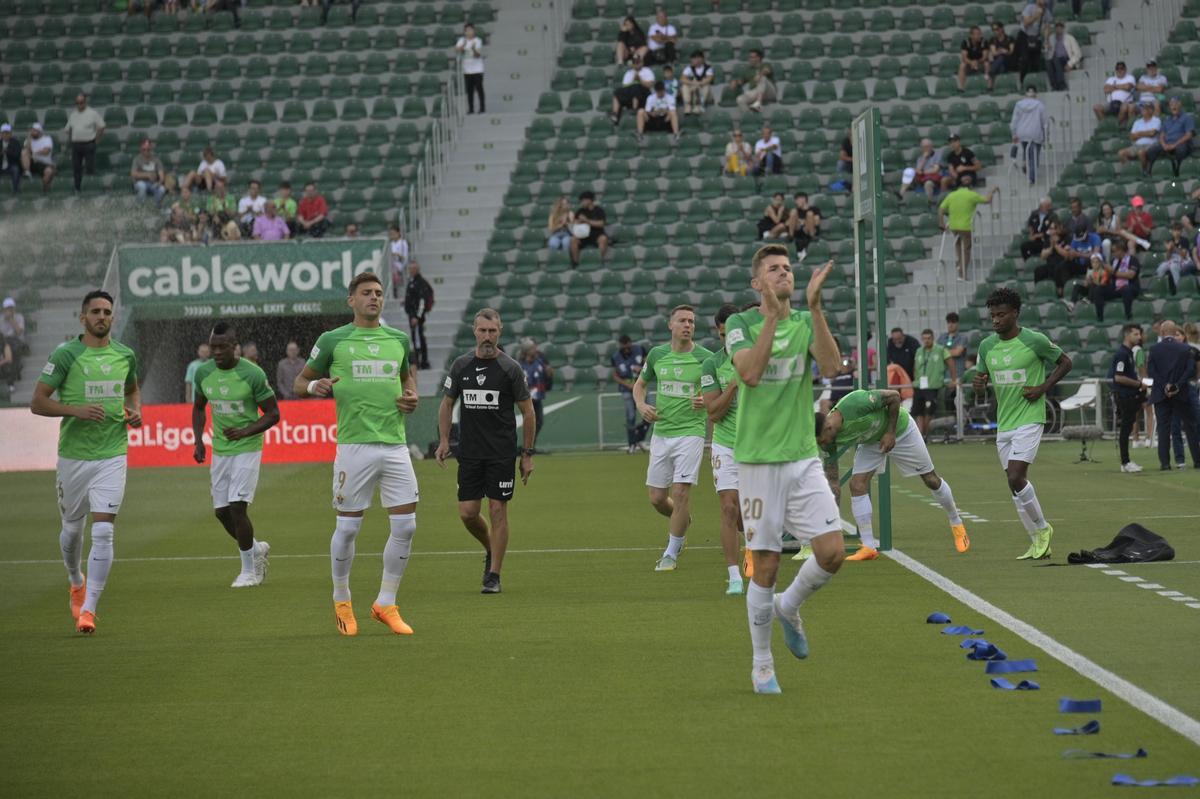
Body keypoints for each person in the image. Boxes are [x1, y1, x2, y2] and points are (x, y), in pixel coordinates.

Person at [725, 246, 843, 694]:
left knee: (832, 552)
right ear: (757, 284)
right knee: (768, 563)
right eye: (773, 269)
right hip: (757, 462)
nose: (783, 273)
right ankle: (761, 664)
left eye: (788, 268)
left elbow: (832, 367)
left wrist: (814, 308)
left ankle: (789, 607)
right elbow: (750, 375)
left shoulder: (804, 321)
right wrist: (772, 320)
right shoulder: (740, 325)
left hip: (801, 456)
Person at [293, 272, 420, 637]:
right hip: (354, 446)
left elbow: (407, 378)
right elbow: (299, 383)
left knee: (407, 525)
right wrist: (315, 385)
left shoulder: (398, 339)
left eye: (379, 293)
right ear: (351, 300)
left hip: (395, 445)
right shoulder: (333, 340)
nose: (374, 298)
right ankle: (342, 600)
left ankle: (386, 603)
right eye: (366, 293)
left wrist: (412, 396)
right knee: (348, 528)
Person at [30, 290, 141, 635]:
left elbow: (132, 390)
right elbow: (37, 402)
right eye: (95, 311)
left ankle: (88, 610)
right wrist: (75, 410)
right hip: (74, 458)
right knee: (72, 531)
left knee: (104, 530)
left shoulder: (125, 354)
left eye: (107, 311)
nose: (102, 316)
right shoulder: (66, 354)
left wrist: (136, 411)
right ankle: (75, 579)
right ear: (83, 318)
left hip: (112, 453)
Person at [436, 308, 536, 594]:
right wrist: (444, 440)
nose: (487, 336)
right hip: (469, 452)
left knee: (497, 510)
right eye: (483, 331)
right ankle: (491, 548)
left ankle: (494, 576)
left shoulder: (511, 369)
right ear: (474, 331)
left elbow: (528, 413)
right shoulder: (461, 365)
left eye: (493, 331)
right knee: (468, 513)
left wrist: (527, 454)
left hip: (501, 454)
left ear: (500, 332)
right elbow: (446, 404)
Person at [971, 287, 1072, 560]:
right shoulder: (986, 346)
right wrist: (978, 385)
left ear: (1015, 313)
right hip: (1004, 423)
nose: (995, 320)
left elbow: (1065, 362)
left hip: (1030, 418)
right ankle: (1038, 542)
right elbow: (980, 385)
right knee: (1013, 484)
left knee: (1016, 476)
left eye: (1001, 314)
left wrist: (1043, 387)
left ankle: (1043, 529)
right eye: (992, 315)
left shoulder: (1034, 340)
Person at [816, 389, 969, 559]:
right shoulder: (827, 441)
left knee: (931, 480)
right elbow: (834, 484)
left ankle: (956, 522)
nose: (823, 445)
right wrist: (831, 525)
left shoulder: (855, 403)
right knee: (856, 484)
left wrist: (890, 432)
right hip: (871, 441)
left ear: (828, 427)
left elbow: (894, 396)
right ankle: (868, 547)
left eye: (822, 440)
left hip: (901, 430)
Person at [190, 322, 279, 588]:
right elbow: (198, 408)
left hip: (248, 448)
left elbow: (274, 414)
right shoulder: (203, 373)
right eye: (213, 346)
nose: (216, 351)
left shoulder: (252, 374)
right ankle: (256, 548)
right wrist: (198, 441)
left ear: (235, 346)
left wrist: (245, 431)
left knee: (238, 508)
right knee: (221, 512)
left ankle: (249, 571)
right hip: (221, 450)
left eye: (222, 346)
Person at [632, 305, 714, 572]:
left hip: (691, 432)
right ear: (671, 325)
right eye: (682, 321)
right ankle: (682, 520)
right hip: (662, 433)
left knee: (680, 492)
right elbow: (640, 384)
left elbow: (724, 386)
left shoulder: (706, 358)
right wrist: (641, 405)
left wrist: (709, 399)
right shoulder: (657, 355)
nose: (687, 325)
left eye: (691, 321)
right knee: (657, 498)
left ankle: (671, 552)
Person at [699, 303, 745, 596]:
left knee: (749, 512)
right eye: (724, 332)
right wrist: (732, 386)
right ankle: (734, 576)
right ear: (718, 330)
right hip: (725, 444)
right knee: (728, 506)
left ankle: (755, 550)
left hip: (757, 445)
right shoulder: (712, 364)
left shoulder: (757, 358)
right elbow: (713, 413)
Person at [1146, 321, 1200, 470]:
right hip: (1182, 393)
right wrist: (1176, 385)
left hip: (1161, 394)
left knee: (1164, 428)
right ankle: (1197, 460)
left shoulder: (1154, 349)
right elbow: (1190, 370)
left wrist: (1165, 386)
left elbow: (1151, 372)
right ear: (1175, 331)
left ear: (1162, 333)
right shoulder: (1185, 348)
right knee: (1190, 426)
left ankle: (1165, 463)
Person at [938, 173, 998, 279]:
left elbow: (941, 209)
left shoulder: (951, 195)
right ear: (970, 187)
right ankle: (962, 273)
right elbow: (987, 200)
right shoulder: (971, 195)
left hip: (954, 227)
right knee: (966, 250)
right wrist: (991, 191)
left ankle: (959, 263)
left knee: (958, 247)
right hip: (965, 227)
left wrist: (941, 223)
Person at [1109, 323, 1147, 473]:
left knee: (1128, 427)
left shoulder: (1129, 353)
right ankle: (1125, 462)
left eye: (1139, 334)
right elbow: (1118, 377)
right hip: (1125, 396)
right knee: (1125, 429)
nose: (1139, 337)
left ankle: (1126, 461)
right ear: (1127, 335)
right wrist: (1138, 383)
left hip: (1130, 395)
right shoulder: (1122, 354)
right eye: (1135, 334)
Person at [911, 329, 958, 437]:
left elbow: (951, 363)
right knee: (918, 412)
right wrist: (915, 379)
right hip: (919, 386)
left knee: (928, 412)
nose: (926, 341)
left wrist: (954, 379)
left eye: (929, 338)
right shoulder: (919, 351)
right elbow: (915, 367)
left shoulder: (941, 350)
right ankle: (920, 437)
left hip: (932, 386)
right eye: (924, 338)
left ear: (933, 338)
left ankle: (926, 436)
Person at [611, 334, 649, 453]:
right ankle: (632, 444)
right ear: (621, 345)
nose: (627, 347)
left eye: (628, 345)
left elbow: (649, 364)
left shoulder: (640, 349)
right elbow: (615, 375)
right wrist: (627, 384)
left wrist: (642, 368)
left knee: (650, 413)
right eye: (624, 345)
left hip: (642, 387)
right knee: (631, 417)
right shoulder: (616, 357)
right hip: (627, 389)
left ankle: (640, 438)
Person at [1145, 96, 1195, 178]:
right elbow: (1162, 135)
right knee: (1151, 150)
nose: (1173, 106)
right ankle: (1151, 170)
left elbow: (1189, 135)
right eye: (1171, 105)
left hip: (1181, 143)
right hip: (1168, 144)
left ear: (1180, 105)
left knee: (1181, 150)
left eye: (1175, 104)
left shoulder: (1187, 118)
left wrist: (1174, 145)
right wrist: (1164, 144)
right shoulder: (1167, 119)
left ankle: (1178, 170)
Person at [64, 94, 105, 194]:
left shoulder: (92, 113)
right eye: (77, 103)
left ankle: (91, 189)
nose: (79, 105)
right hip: (76, 145)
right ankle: (77, 189)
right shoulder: (73, 115)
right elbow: (67, 129)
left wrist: (96, 140)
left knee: (90, 168)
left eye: (81, 102)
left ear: (85, 102)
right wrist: (71, 140)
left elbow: (101, 126)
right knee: (76, 168)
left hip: (89, 144)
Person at [518, 338, 553, 445]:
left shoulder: (541, 362)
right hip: (526, 398)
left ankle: (530, 445)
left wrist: (549, 375)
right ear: (527, 351)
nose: (536, 350)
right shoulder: (520, 365)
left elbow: (547, 383)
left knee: (539, 422)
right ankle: (528, 446)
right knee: (531, 421)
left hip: (537, 397)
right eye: (533, 348)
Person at [1010, 86, 1046, 184]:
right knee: (1034, 156)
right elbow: (1044, 122)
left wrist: (1014, 133)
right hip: (1035, 133)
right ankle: (1032, 178)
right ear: (1036, 94)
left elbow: (1014, 121)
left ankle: (1025, 161)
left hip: (1022, 132)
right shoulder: (1039, 105)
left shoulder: (1019, 105)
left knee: (1026, 149)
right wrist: (1046, 135)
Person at [403, 260, 434, 370]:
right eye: (410, 269)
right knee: (415, 339)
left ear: (417, 269)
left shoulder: (420, 283)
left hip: (417, 318)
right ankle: (418, 361)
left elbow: (422, 301)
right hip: (411, 316)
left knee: (419, 339)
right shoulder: (411, 282)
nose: (411, 271)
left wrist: (417, 316)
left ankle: (423, 362)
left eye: (413, 269)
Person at [609, 53, 654, 125]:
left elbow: (650, 85)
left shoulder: (647, 71)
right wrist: (633, 80)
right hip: (631, 96)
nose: (637, 64)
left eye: (638, 62)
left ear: (642, 62)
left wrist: (640, 80)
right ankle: (615, 113)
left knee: (636, 86)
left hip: (645, 96)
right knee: (617, 92)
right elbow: (625, 87)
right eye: (635, 62)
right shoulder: (629, 73)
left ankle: (634, 109)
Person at [570, 191, 609, 265]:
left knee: (603, 239)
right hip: (583, 235)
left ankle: (598, 261)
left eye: (583, 201)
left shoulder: (599, 210)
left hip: (596, 234)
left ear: (589, 200)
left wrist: (586, 220)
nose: (581, 203)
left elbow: (601, 223)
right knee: (573, 239)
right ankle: (576, 262)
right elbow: (574, 223)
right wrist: (578, 221)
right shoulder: (580, 211)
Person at [455, 23, 486, 115]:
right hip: (467, 70)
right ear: (465, 32)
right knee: (469, 90)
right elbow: (457, 50)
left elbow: (477, 55)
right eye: (467, 30)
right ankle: (471, 108)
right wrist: (463, 46)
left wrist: (473, 49)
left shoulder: (478, 41)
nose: (469, 32)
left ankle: (482, 108)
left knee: (479, 89)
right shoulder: (462, 40)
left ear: (474, 31)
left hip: (477, 69)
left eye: (470, 30)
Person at [1120, 102, 1163, 167]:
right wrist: (1146, 133)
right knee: (1121, 153)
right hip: (1136, 145)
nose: (1142, 110)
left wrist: (1139, 133)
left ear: (1151, 110)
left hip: (1150, 145)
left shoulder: (1156, 120)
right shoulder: (1137, 122)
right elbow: (1132, 137)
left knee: (1141, 152)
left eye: (1145, 109)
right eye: (1142, 108)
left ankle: (1144, 172)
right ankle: (1132, 170)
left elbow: (1152, 133)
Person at [1016, 0, 1048, 87]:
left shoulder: (1046, 11)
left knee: (1036, 63)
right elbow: (1026, 23)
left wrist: (1046, 40)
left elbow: (1046, 26)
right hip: (1025, 36)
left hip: (1035, 37)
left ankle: (1033, 83)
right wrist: (1036, 16)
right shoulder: (1029, 7)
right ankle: (1022, 82)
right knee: (1025, 60)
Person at [1044, 21, 1081, 91]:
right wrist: (1046, 41)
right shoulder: (1051, 38)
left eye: (1060, 27)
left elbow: (1078, 53)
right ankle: (1054, 85)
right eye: (1057, 27)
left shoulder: (1070, 38)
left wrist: (1070, 64)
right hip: (1055, 60)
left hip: (1066, 59)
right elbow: (1047, 54)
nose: (1058, 29)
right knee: (1048, 62)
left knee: (1056, 59)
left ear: (1063, 28)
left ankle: (1061, 84)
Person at [1, 296, 27, 391]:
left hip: (16, 341)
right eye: (7, 308)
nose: (9, 310)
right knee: (8, 353)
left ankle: (11, 381)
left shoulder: (19, 317)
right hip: (3, 342)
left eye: (11, 308)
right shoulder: (0, 319)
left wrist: (11, 320)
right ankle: (15, 372)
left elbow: (19, 332)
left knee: (14, 352)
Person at [22, 123, 56, 193]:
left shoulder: (47, 139)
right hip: (33, 162)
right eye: (31, 130)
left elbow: (46, 151)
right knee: (24, 152)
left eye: (34, 130)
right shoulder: (29, 140)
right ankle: (27, 172)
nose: (32, 132)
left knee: (49, 172)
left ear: (39, 131)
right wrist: (29, 138)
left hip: (44, 163)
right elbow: (27, 150)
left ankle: (43, 189)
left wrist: (34, 153)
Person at [680, 50, 714, 115]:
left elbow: (709, 79)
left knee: (706, 85)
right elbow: (682, 79)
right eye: (694, 58)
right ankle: (688, 105)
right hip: (694, 90)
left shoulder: (708, 68)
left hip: (706, 94)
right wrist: (693, 83)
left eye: (698, 58)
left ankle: (700, 105)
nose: (697, 60)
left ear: (703, 59)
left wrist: (698, 84)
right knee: (685, 86)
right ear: (691, 60)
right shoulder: (689, 68)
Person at [958, 26, 989, 91]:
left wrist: (977, 61)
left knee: (987, 64)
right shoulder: (965, 42)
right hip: (969, 64)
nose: (979, 36)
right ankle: (962, 88)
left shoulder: (984, 42)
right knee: (962, 65)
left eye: (980, 33)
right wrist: (971, 62)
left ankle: (988, 85)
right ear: (971, 35)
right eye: (977, 34)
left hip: (980, 62)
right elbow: (964, 58)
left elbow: (985, 56)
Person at [987, 21, 1015, 85]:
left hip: (1008, 60)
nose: (995, 31)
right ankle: (1000, 84)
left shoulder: (1010, 39)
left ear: (1001, 28)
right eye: (993, 30)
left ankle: (991, 72)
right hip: (997, 61)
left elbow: (1011, 51)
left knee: (1002, 56)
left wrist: (1006, 52)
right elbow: (994, 53)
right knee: (1001, 66)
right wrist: (1001, 51)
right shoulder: (992, 40)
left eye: (996, 29)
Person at [387, 224, 409, 298]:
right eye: (391, 234)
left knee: (392, 270)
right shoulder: (390, 244)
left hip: (399, 264)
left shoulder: (403, 243)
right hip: (391, 264)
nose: (392, 235)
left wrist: (396, 254)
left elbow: (404, 258)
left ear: (398, 233)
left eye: (393, 233)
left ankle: (394, 289)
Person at [1, 123, 21, 193]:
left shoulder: (16, 143)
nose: (5, 135)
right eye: (3, 133)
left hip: (11, 165)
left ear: (10, 134)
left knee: (15, 169)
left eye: (7, 133)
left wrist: (7, 152)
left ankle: (15, 190)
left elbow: (17, 156)